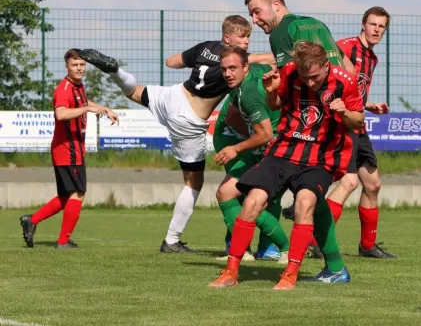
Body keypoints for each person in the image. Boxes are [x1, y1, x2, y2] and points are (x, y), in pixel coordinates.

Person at [78, 15, 269, 253]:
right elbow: (268, 59)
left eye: (248, 37)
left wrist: (199, 62)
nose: (247, 43)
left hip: (173, 96)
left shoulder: (205, 47)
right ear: (227, 37)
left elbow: (171, 62)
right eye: (242, 37)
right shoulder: (236, 61)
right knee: (194, 182)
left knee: (133, 92)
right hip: (189, 118)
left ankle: (116, 71)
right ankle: (171, 240)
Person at [208, 41, 364, 290]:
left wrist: (345, 112)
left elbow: (357, 122)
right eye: (305, 77)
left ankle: (290, 275)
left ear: (326, 65)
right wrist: (271, 92)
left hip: (320, 157)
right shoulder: (290, 71)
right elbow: (275, 106)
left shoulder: (345, 80)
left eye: (314, 77)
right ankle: (231, 272)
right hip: (284, 150)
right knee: (252, 200)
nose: (310, 83)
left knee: (305, 202)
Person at [244, 0, 356, 258]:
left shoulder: (282, 32)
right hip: (340, 117)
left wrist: (276, 104)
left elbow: (290, 82)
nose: (254, 20)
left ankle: (269, 246)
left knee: (268, 183)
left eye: (257, 12)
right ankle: (330, 261)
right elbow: (346, 68)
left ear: (276, 5)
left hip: (312, 125)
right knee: (343, 183)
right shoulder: (316, 23)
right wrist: (352, 103)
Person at [282, 7, 398, 259]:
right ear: (363, 24)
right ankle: (313, 239)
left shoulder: (371, 58)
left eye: (382, 26)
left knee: (373, 185)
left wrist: (368, 106)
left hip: (358, 122)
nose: (377, 30)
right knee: (348, 181)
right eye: (373, 24)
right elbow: (326, 76)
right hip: (339, 122)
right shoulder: (345, 47)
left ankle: (367, 245)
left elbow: (349, 90)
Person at [19, 49, 119, 249]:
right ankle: (63, 241)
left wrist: (103, 108)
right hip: (67, 149)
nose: (79, 68)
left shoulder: (78, 86)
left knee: (67, 195)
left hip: (72, 148)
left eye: (82, 65)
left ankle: (32, 220)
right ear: (67, 66)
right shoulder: (64, 88)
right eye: (75, 65)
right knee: (78, 193)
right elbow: (61, 114)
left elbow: (83, 103)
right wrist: (87, 109)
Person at [213, 46, 289, 263]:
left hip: (274, 152)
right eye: (224, 69)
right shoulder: (246, 80)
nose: (227, 74)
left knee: (254, 203)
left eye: (233, 68)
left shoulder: (249, 93)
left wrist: (235, 148)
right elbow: (231, 116)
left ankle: (286, 248)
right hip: (260, 149)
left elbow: (265, 134)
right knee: (226, 193)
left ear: (246, 67)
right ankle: (242, 250)